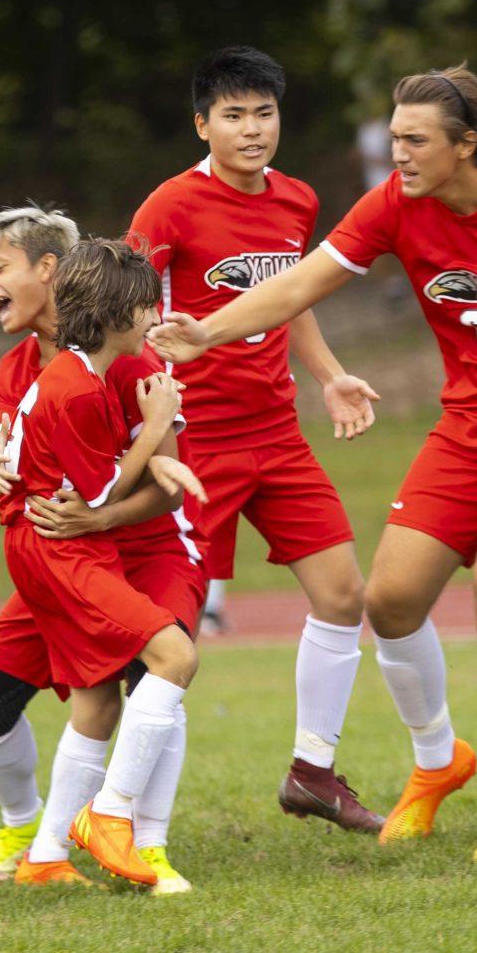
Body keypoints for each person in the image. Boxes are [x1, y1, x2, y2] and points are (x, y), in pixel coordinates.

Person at [152, 65, 477, 861]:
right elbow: (299, 284)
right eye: (393, 138)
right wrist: (206, 332)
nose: (398, 154)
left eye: (415, 140)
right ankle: (438, 761)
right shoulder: (394, 203)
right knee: (388, 601)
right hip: (467, 424)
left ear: (467, 144)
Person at [129, 46, 394, 833]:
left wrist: (329, 375)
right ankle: (123, 807)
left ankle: (312, 772)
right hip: (194, 441)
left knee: (346, 593)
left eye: (264, 113)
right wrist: (146, 414)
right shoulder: (169, 206)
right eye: (234, 115)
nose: (252, 129)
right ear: (202, 123)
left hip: (276, 433)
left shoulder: (297, 198)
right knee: (163, 629)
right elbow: (121, 304)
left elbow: (291, 296)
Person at [0, 206, 205, 894]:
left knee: (104, 693)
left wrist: (157, 457)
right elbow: (90, 492)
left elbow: (115, 488)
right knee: (170, 657)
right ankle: (107, 818)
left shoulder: (108, 367)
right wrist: (149, 438)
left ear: (53, 274)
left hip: (99, 546)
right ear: (117, 310)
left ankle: (53, 852)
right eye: (146, 310)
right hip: (61, 552)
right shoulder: (61, 381)